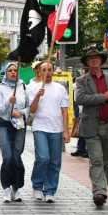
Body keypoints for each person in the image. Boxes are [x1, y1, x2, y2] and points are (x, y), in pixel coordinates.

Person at [76, 47, 108, 208]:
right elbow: (80, 98)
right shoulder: (81, 80)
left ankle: (100, 188)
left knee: (106, 162)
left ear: (101, 61)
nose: (94, 60)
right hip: (91, 126)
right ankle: (99, 192)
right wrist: (103, 97)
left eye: (96, 58)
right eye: (90, 59)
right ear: (87, 63)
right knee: (96, 160)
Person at [29, 62, 70, 203]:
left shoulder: (60, 88)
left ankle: (50, 190)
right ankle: (37, 186)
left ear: (53, 71)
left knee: (55, 161)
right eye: (44, 70)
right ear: (39, 72)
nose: (47, 72)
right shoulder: (33, 87)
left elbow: (65, 111)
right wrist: (37, 96)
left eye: (49, 69)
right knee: (43, 157)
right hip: (40, 127)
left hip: (56, 129)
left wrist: (66, 131)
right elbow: (32, 110)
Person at [0, 63, 29, 202]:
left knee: (16, 156)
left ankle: (17, 187)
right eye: (10, 70)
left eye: (15, 70)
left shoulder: (22, 86)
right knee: (7, 157)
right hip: (4, 123)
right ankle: (6, 187)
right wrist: (9, 102)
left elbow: (29, 107)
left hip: (19, 124)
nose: (13, 72)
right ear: (5, 73)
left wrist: (20, 113)